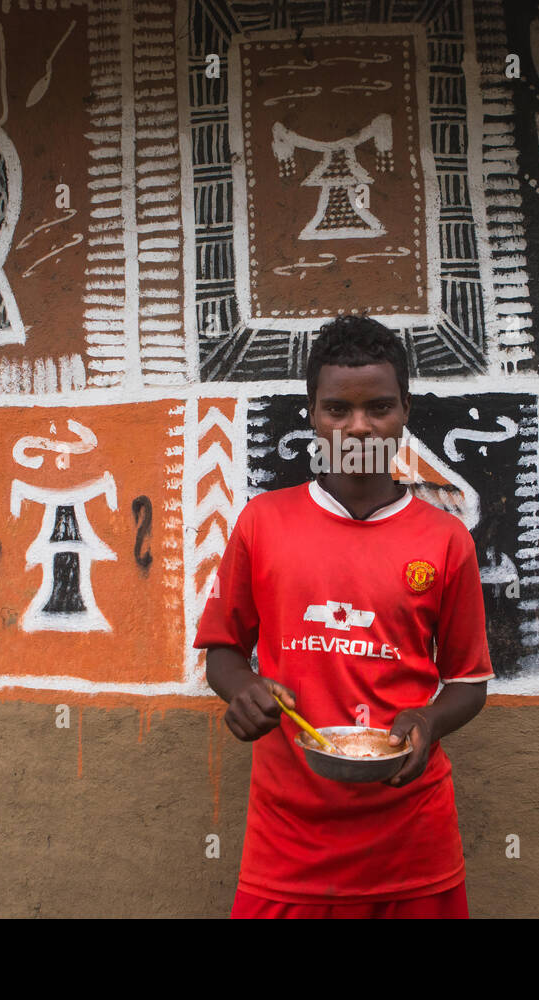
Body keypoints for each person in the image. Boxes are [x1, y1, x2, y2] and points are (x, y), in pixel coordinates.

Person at [193, 314, 494, 919]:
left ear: (406, 409)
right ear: (312, 412)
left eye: (379, 407)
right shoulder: (264, 523)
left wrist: (429, 721)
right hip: (289, 841)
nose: (359, 426)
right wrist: (245, 690)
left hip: (411, 839)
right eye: (337, 409)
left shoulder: (444, 539)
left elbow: (468, 682)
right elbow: (223, 649)